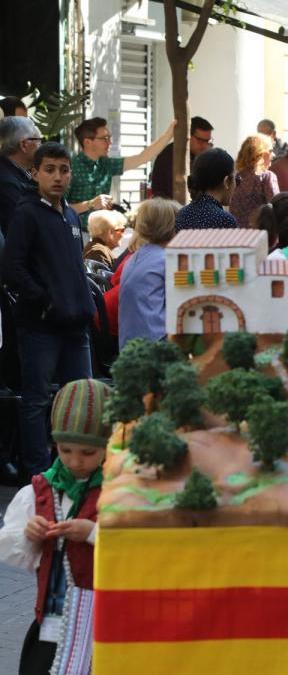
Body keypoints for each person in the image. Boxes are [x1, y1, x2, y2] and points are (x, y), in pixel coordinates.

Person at [0, 379, 112, 673]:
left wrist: (91, 533)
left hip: (104, 622)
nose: (75, 461)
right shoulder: (40, 490)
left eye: (88, 453)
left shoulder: (118, 492)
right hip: (52, 620)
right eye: (66, 450)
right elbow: (9, 545)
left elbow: (137, 546)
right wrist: (30, 533)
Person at [3, 142, 94, 475]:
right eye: (50, 170)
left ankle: (76, 471)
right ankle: (38, 474)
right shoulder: (26, 213)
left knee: (80, 399)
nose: (58, 177)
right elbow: (12, 268)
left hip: (76, 325)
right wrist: (45, 300)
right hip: (40, 326)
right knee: (37, 400)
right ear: (35, 172)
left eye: (64, 170)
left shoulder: (70, 213)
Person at [67, 117, 174, 216]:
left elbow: (141, 158)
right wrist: (90, 204)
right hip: (77, 232)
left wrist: (170, 133)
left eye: (109, 137)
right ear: (87, 142)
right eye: (105, 138)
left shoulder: (106, 163)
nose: (110, 142)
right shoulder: (70, 168)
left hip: (103, 231)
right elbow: (59, 208)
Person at [118, 198, 179, 347]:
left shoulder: (136, 257)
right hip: (156, 345)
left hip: (129, 344)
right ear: (172, 225)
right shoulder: (166, 259)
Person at [149, 115, 213, 199]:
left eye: (208, 141)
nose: (205, 145)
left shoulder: (195, 154)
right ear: (188, 136)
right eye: (200, 140)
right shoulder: (173, 157)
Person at [174, 148, 236, 230]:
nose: (235, 185)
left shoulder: (180, 215)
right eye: (236, 179)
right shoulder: (225, 220)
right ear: (226, 181)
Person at [0, 115, 41, 239]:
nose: (41, 146)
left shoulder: (22, 173)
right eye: (39, 141)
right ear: (24, 145)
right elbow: (24, 230)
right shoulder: (7, 182)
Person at [229, 134, 279, 228]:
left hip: (236, 236)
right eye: (270, 151)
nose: (274, 155)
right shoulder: (267, 177)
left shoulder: (235, 177)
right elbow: (277, 208)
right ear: (260, 153)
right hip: (260, 236)